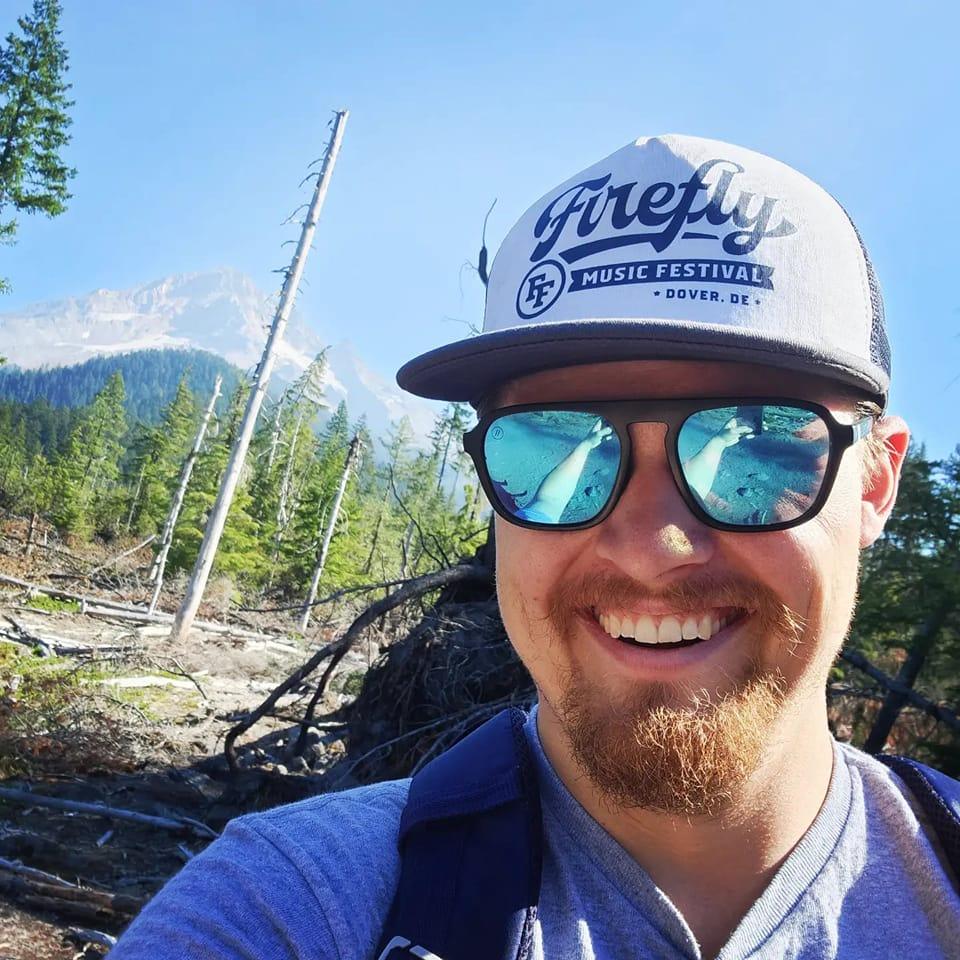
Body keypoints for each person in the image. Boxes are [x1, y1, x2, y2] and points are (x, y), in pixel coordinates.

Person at [110, 135, 960, 959]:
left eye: (756, 442)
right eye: (555, 445)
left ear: (875, 484)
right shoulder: (292, 904)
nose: (650, 551)